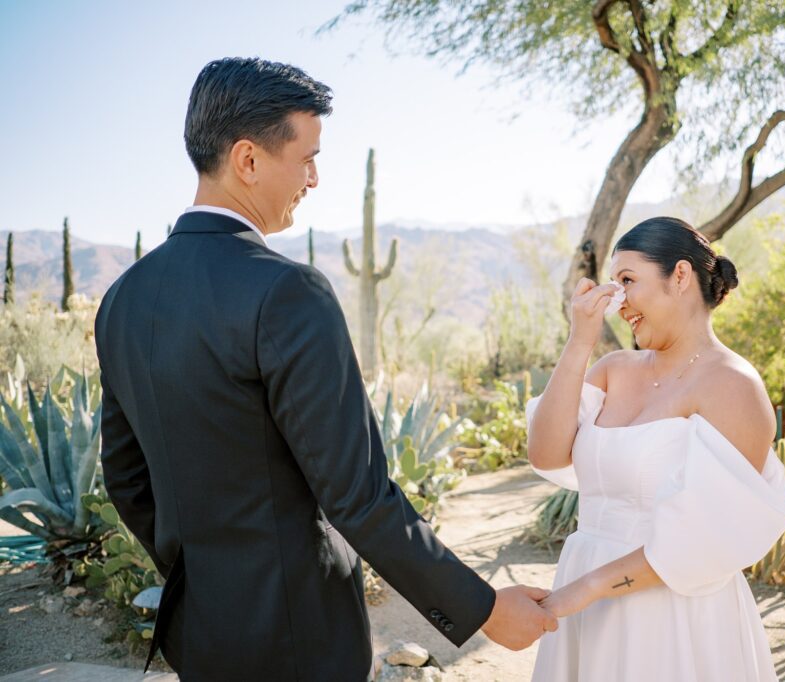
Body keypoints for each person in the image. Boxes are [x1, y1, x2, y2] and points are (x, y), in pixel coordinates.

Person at [94, 57, 555, 682]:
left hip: (198, 632)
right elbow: (357, 496)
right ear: (249, 160)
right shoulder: (286, 292)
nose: (315, 176)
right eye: (306, 157)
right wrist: (485, 609)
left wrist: (207, 575)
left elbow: (126, 479)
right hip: (300, 640)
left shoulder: (122, 299)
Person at [527, 216, 785, 681]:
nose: (618, 302)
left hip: (673, 615)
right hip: (585, 601)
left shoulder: (733, 386)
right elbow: (546, 454)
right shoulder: (613, 368)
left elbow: (704, 537)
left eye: (628, 281)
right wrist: (579, 342)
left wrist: (590, 586)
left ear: (680, 276)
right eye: (614, 285)